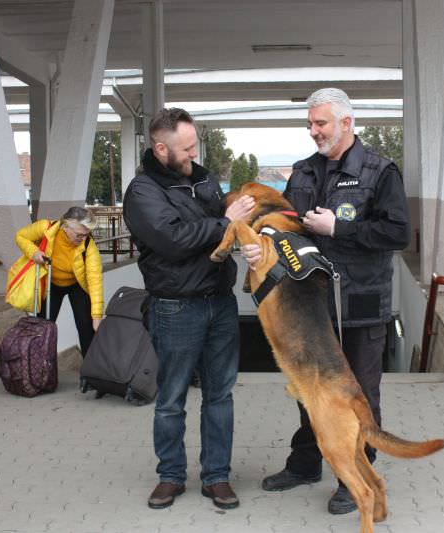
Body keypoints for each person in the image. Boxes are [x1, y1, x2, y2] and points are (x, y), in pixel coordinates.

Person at [241, 88, 410, 514]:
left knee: (361, 392)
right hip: (310, 302)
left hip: (361, 304)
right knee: (307, 388)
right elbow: (287, 227)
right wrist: (262, 243)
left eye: (322, 124)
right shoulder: (302, 172)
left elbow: (397, 233)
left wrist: (340, 229)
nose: (314, 131)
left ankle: (354, 473)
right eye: (311, 124)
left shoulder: (380, 172)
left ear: (347, 123)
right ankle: (305, 463)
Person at [123, 108, 254, 511]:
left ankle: (217, 476)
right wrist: (224, 224)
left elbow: (220, 227)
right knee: (172, 398)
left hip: (220, 302)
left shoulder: (203, 180)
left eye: (195, 145)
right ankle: (171, 476)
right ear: (161, 148)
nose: (194, 153)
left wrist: (243, 235)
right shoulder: (143, 192)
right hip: (175, 308)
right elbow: (172, 239)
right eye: (187, 147)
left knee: (220, 394)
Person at [13, 206, 103, 356]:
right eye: (80, 235)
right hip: (52, 283)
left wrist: (97, 316)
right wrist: (33, 252)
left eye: (87, 234)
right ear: (66, 227)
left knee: (87, 327)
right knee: (43, 327)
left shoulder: (88, 246)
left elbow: (95, 281)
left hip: (77, 285)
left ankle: (90, 374)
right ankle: (40, 368)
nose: (83, 238)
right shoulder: (46, 228)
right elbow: (20, 236)